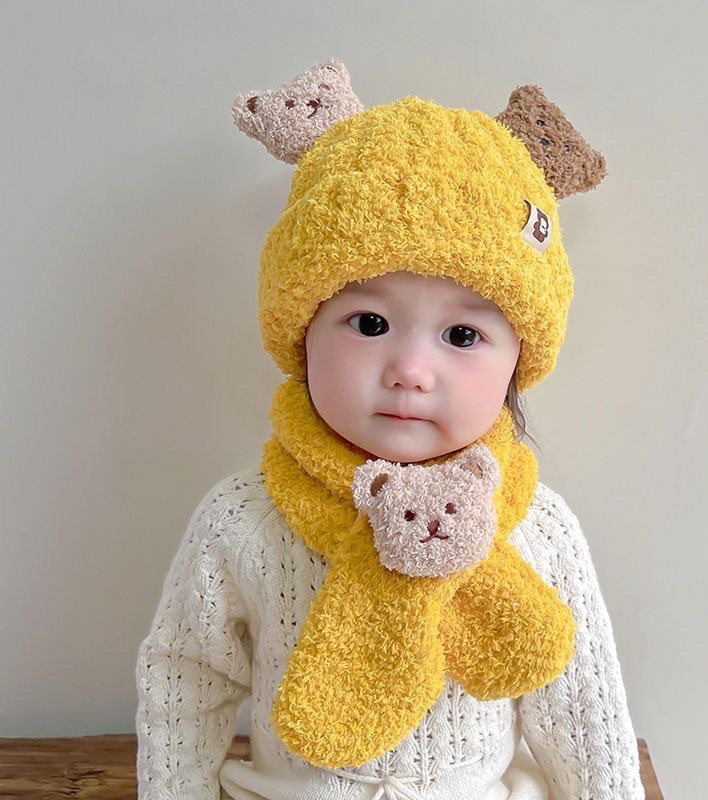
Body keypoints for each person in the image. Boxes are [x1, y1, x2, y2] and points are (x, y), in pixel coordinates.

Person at [135, 63, 646, 800]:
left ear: (517, 363)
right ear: (301, 332)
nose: (410, 370)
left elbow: (583, 711)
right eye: (369, 323)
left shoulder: (540, 529)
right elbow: (186, 679)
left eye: (462, 336)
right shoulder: (242, 521)